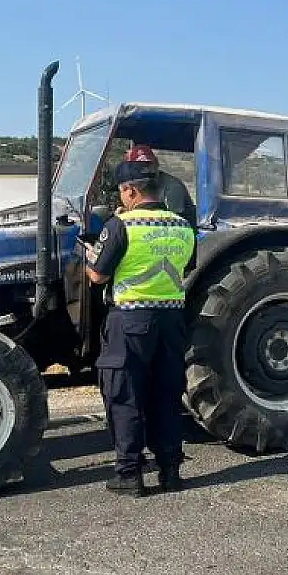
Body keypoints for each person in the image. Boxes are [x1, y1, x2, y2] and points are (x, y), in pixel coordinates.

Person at [83, 144, 196, 496]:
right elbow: (185, 267)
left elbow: (98, 276)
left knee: (126, 397)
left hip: (130, 322)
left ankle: (129, 475)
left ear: (130, 190)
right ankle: (170, 473)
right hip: (172, 323)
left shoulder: (121, 225)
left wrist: (90, 256)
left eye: (123, 192)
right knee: (165, 395)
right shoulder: (182, 227)